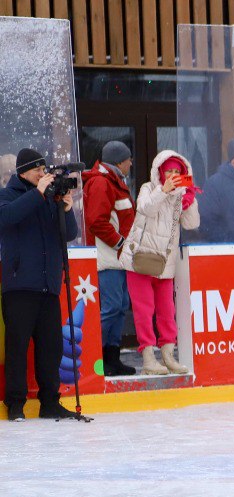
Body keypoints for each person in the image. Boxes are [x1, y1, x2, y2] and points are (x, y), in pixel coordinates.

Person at [0, 147, 80, 421]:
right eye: (38, 170)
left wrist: (66, 209)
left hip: (48, 286)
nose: (43, 174)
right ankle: (16, 404)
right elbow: (7, 218)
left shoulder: (48, 199)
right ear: (23, 171)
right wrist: (37, 194)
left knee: (51, 348)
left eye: (44, 170)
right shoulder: (6, 196)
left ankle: (50, 402)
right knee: (17, 348)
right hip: (19, 286)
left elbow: (68, 234)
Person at [120, 150, 200, 376]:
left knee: (167, 310)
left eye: (177, 171)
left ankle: (167, 355)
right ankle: (148, 358)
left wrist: (190, 199)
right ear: (160, 172)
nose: (173, 175)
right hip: (141, 259)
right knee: (144, 310)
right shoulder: (148, 188)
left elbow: (192, 224)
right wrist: (162, 191)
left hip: (164, 263)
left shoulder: (180, 195)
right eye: (169, 171)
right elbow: (145, 208)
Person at [81, 140, 137, 377]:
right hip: (108, 259)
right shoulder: (101, 183)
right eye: (128, 159)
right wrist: (120, 243)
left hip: (118, 258)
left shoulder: (112, 181)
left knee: (120, 307)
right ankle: (95, 358)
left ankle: (111, 358)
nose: (131, 163)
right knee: (112, 307)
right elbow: (97, 221)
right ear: (119, 161)